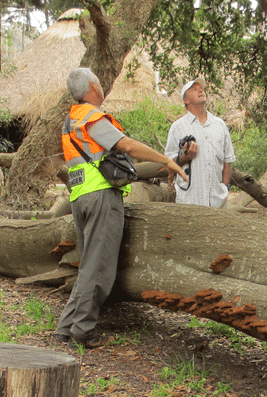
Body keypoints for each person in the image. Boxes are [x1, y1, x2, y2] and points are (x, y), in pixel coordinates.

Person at [56, 68, 187, 348]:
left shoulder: (71, 120)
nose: (102, 87)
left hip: (79, 195)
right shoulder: (92, 117)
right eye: (100, 82)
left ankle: (66, 327)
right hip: (101, 195)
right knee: (100, 268)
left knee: (88, 266)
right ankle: (83, 331)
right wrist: (167, 161)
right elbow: (126, 145)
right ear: (92, 85)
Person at [164, 78, 236, 208]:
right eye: (194, 90)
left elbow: (228, 159)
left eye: (201, 89)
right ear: (186, 100)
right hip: (189, 200)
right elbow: (169, 163)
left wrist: (225, 187)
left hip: (218, 201)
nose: (200, 90)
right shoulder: (177, 128)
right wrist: (185, 157)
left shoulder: (220, 125)